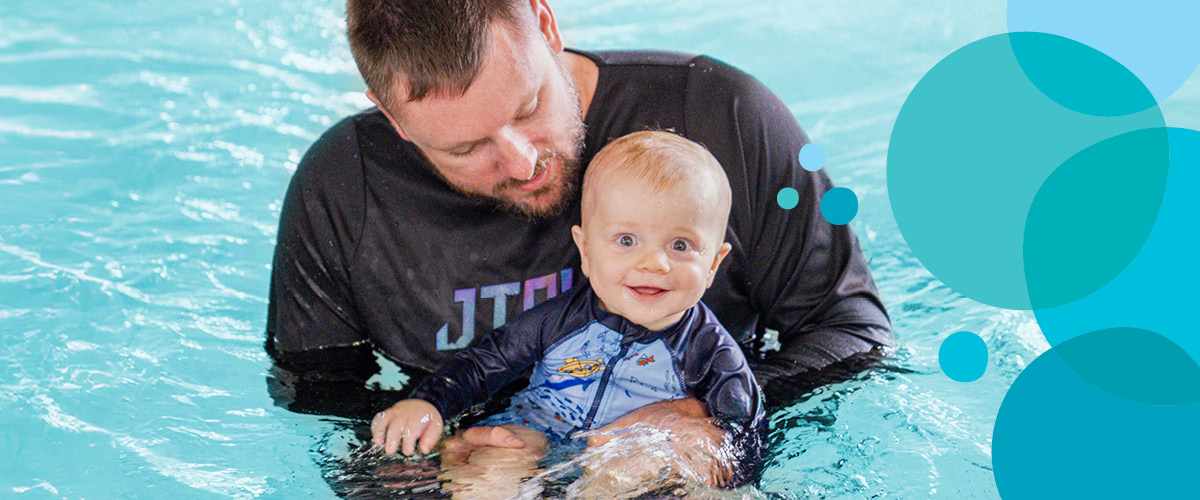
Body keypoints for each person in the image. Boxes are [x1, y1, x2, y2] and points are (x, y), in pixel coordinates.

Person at [265, 0, 890, 447]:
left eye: (529, 106)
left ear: (545, 22)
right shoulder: (343, 188)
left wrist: (701, 417)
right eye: (464, 149)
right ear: (392, 118)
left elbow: (854, 334)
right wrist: (422, 462)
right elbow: (318, 395)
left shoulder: (722, 118)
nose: (521, 159)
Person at [370, 131, 766, 491]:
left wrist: (709, 453)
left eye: (680, 246)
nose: (654, 263)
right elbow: (485, 362)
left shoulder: (712, 352)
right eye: (627, 240)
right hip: (537, 425)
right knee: (495, 458)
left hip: (626, 450)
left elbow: (745, 433)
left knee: (635, 468)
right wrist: (429, 402)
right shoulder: (560, 320)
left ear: (713, 264)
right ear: (587, 250)